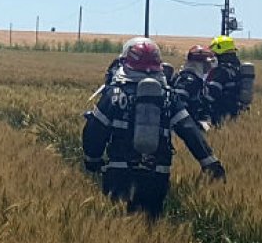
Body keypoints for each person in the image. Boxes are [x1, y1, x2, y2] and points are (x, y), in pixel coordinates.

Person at [82, 39, 226, 220]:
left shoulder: (114, 94)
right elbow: (189, 131)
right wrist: (210, 163)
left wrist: (92, 160)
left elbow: (95, 130)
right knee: (151, 225)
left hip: (119, 173)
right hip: (157, 174)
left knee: (118, 222)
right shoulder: (169, 96)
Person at [171, 45, 216, 130]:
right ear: (201, 63)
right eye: (208, 62)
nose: (210, 65)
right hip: (187, 127)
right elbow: (179, 106)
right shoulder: (188, 80)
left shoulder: (196, 79)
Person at [205, 35, 246, 126]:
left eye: (214, 53)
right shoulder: (237, 68)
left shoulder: (221, 71)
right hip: (235, 110)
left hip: (220, 113)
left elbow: (212, 92)